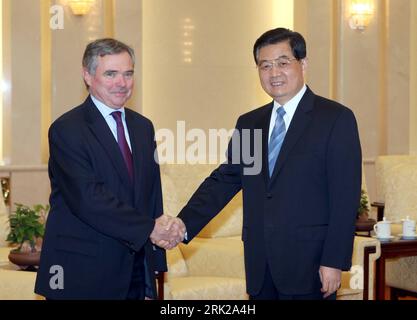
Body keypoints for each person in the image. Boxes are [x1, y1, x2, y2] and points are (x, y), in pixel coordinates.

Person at [174, 28, 362, 300]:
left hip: (309, 266)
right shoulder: (250, 123)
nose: (274, 73)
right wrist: (183, 223)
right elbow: (225, 181)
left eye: (283, 63)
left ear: (303, 64)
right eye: (265, 65)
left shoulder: (335, 119)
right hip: (260, 265)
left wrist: (334, 261)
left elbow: (345, 197)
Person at [35, 38, 184, 300]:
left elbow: (151, 196)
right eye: (111, 74)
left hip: (135, 270)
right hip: (83, 273)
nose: (122, 83)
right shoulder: (67, 129)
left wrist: (154, 266)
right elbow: (88, 198)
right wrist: (150, 228)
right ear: (87, 76)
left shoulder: (143, 127)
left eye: (128, 74)